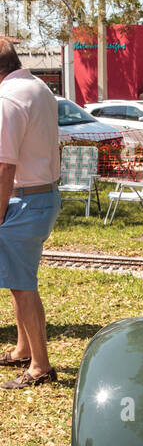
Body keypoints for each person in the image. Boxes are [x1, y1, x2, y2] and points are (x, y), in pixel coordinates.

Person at [0, 38, 62, 388]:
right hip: (41, 195)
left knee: (22, 286)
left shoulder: (7, 99)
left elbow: (4, 167)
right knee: (17, 280)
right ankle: (24, 350)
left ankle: (40, 366)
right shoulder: (38, 86)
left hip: (22, 198)